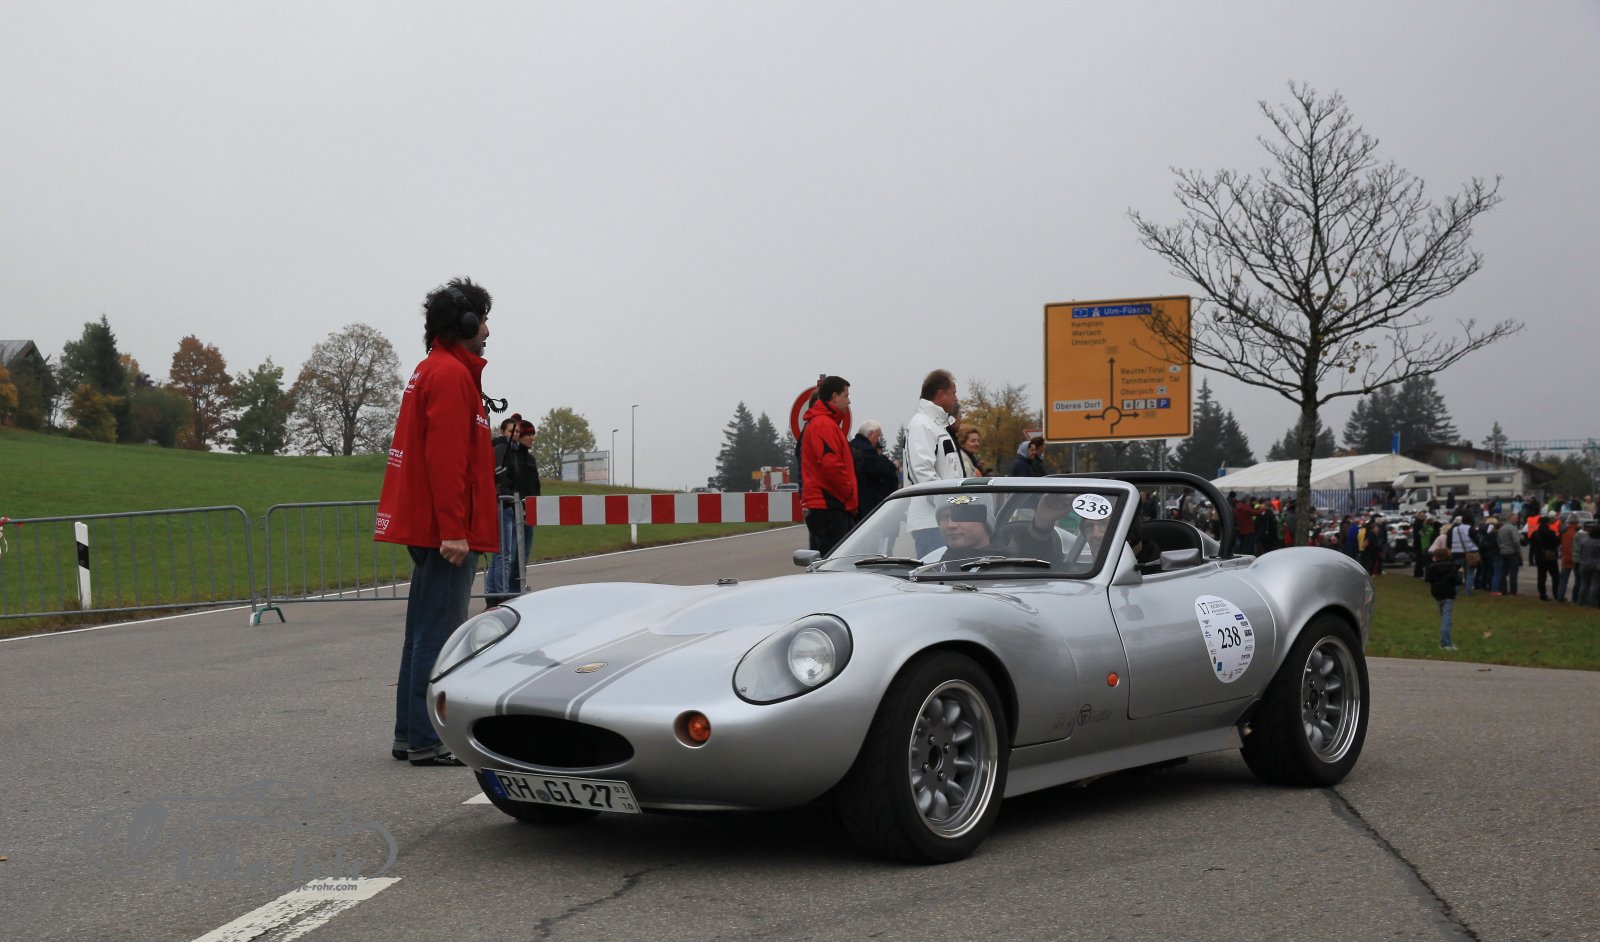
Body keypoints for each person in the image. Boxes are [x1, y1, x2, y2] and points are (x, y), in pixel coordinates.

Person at [375, 277, 498, 767]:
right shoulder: (450, 375)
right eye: (483, 320)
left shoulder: (433, 369)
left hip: (432, 527)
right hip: (444, 532)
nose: (487, 331)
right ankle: (427, 739)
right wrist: (454, 530)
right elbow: (446, 459)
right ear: (464, 323)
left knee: (422, 633)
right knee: (439, 635)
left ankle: (410, 735)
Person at [904, 369, 964, 555]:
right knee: (934, 571)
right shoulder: (922, 424)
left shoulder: (937, 425)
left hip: (943, 521)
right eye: (953, 393)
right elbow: (922, 472)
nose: (956, 398)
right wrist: (947, 507)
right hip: (931, 523)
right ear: (940, 394)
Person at [799, 375, 858, 556]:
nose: (848, 401)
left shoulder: (824, 423)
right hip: (829, 506)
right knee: (834, 562)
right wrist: (849, 495)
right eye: (846, 395)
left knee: (826, 559)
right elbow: (831, 466)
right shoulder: (823, 425)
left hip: (828, 504)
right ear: (834, 396)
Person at [850, 419, 899, 520]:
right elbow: (882, 468)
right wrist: (894, 466)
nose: (878, 440)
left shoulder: (852, 445)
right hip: (865, 500)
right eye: (878, 436)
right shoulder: (866, 450)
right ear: (870, 434)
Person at [1423, 546, 1461, 651]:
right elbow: (1457, 581)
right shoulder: (1451, 567)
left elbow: (1428, 579)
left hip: (1437, 594)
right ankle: (1445, 643)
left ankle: (1448, 641)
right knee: (1446, 619)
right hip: (1448, 594)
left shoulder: (1432, 567)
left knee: (1444, 616)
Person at [1529, 512, 1561, 601]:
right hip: (1550, 557)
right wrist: (1559, 537)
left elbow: (1532, 546)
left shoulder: (1535, 533)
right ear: (1547, 523)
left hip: (1539, 557)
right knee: (1555, 576)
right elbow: (1555, 543)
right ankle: (1556, 594)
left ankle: (1542, 595)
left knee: (1541, 577)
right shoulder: (1550, 533)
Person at [1494, 515, 1522, 596]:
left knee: (1503, 572)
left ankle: (1503, 590)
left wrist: (1501, 547)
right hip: (1512, 552)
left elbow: (1498, 540)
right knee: (1513, 572)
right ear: (1511, 519)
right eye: (1516, 519)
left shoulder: (1501, 528)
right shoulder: (1513, 528)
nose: (1517, 521)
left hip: (1503, 552)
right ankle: (1513, 591)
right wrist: (1518, 550)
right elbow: (1516, 541)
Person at [1556, 514, 1580, 602]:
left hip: (1565, 557)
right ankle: (1575, 598)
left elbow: (1558, 542)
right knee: (1578, 580)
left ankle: (1560, 596)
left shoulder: (1564, 531)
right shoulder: (1579, 531)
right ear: (1577, 521)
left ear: (1568, 521)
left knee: (1563, 580)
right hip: (1576, 558)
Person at [1578, 522, 1600, 607]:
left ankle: (1580, 601)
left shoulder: (1584, 542)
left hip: (1584, 564)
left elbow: (1580, 553)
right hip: (1596, 565)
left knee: (1584, 584)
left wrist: (1582, 560)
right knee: (1595, 584)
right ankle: (1593, 602)